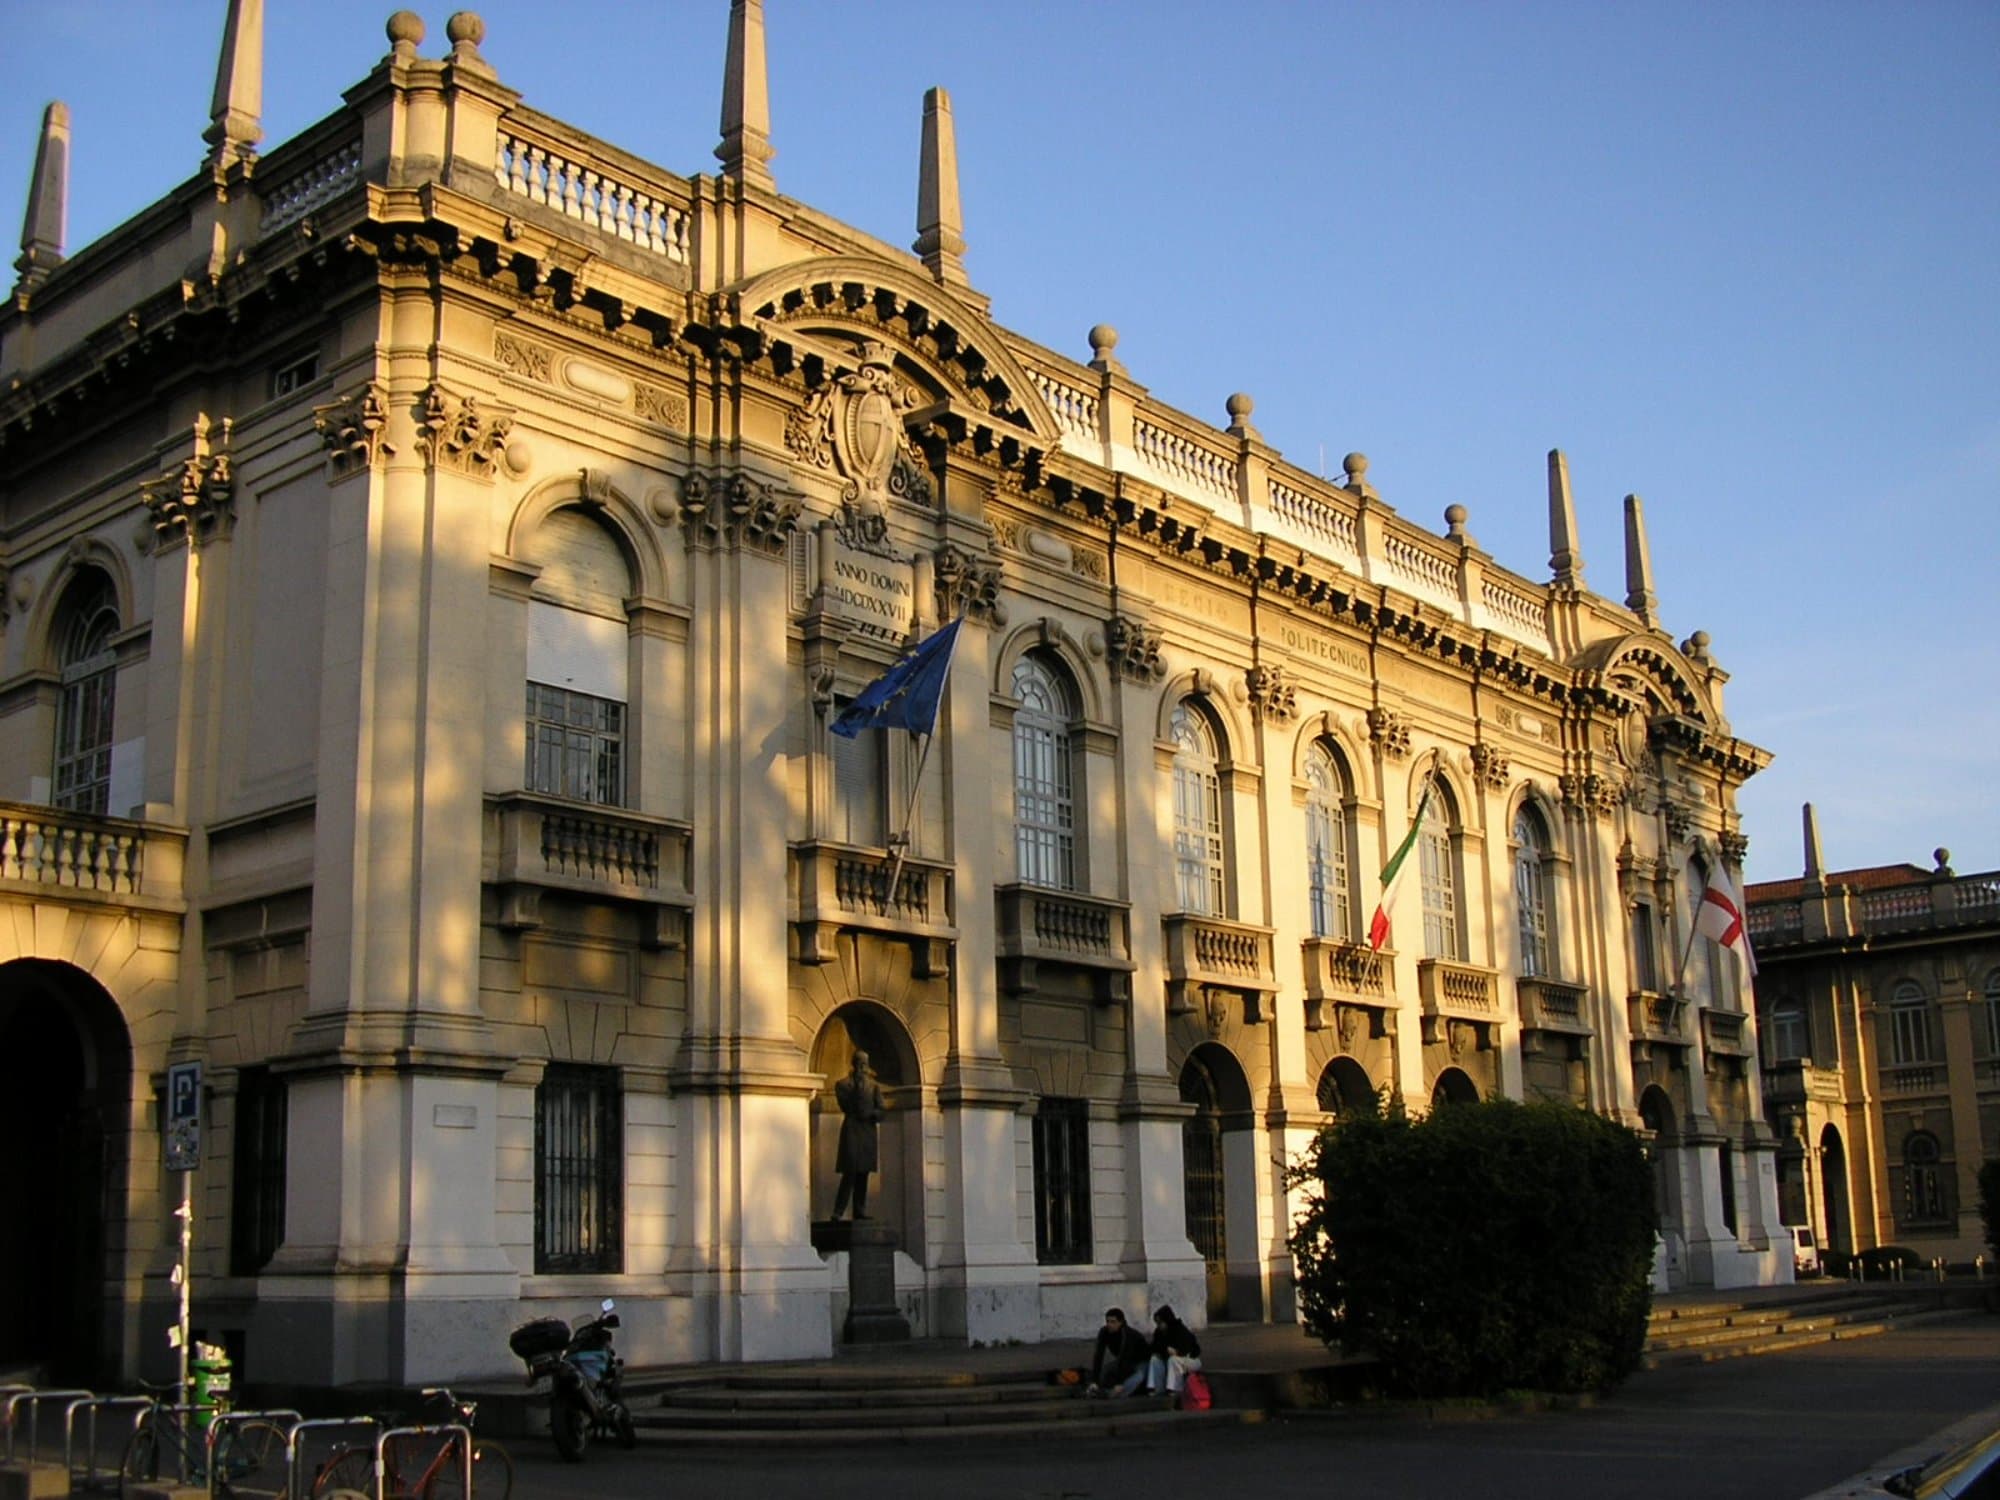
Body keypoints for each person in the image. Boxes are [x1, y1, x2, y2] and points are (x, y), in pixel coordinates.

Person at [830, 1049, 885, 1219]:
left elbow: (882, 1110)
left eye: (865, 1063)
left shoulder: (874, 1086)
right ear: (853, 1063)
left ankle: (859, 1211)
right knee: (850, 1172)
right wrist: (858, 1090)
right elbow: (845, 1105)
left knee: (863, 1174)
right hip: (852, 1130)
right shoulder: (842, 1084)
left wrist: (873, 1114)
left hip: (867, 1131)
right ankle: (838, 1212)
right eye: (859, 1062)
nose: (862, 1066)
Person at [1085, 1308, 1152, 1398]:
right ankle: (1096, 1389)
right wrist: (1095, 1381)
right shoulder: (1104, 1332)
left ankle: (1118, 1394)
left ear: (1121, 1322)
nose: (1109, 1324)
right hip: (1123, 1361)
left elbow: (1126, 1357)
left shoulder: (1128, 1334)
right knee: (1106, 1370)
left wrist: (1119, 1383)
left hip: (1141, 1361)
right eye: (1108, 1321)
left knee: (1138, 1377)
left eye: (1113, 1322)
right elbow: (1098, 1356)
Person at [1146, 1305, 1202, 1397]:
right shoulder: (1159, 1332)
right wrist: (1164, 1350)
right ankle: (1156, 1387)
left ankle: (1174, 1389)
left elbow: (1192, 1349)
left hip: (1190, 1360)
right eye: (1157, 1323)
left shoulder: (1180, 1330)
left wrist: (1177, 1352)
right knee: (1155, 1359)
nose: (1158, 1325)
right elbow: (1154, 1347)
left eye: (1160, 1322)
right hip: (1171, 1360)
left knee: (1173, 1360)